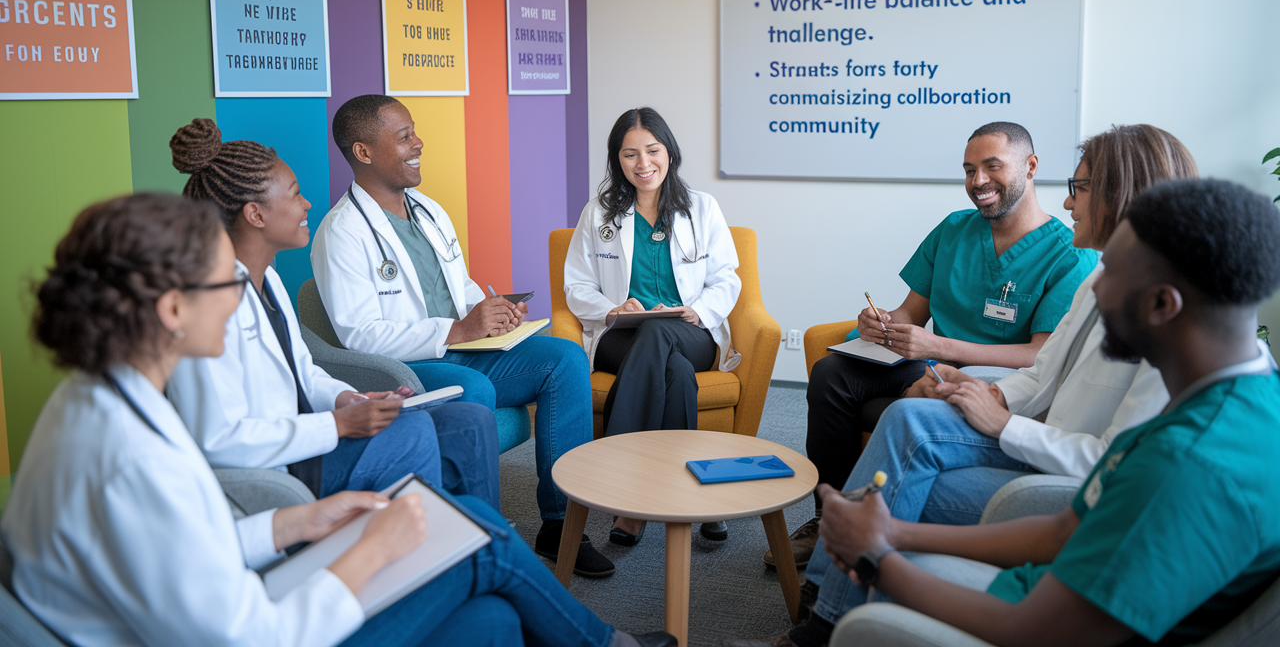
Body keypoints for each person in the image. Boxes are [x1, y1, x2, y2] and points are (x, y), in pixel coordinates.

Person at [0, 193, 675, 647]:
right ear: (173, 309)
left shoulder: (96, 401)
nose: (240, 299)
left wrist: (300, 522)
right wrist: (371, 552)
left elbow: (169, 555)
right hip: (260, 631)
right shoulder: (130, 457)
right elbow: (253, 637)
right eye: (224, 283)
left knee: (494, 614)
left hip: (202, 612)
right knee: (485, 548)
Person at [756, 124, 1200, 647]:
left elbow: (1045, 375)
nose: (1067, 200)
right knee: (872, 397)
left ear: (1117, 195)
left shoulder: (1144, 310)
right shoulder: (1099, 281)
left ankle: (826, 612)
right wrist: (975, 392)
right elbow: (1042, 373)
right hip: (999, 400)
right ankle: (833, 542)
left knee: (905, 459)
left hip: (1046, 456)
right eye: (969, 169)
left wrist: (997, 411)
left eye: (1077, 189)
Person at [776, 121, 1099, 568]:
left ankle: (869, 529)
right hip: (924, 360)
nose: (977, 181)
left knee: (913, 403)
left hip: (998, 379)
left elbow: (1040, 355)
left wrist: (942, 347)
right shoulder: (953, 229)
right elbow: (911, 312)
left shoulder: (1070, 254)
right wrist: (882, 323)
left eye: (991, 167)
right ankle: (826, 514)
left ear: (1030, 166)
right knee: (831, 375)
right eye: (969, 170)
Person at [311, 94, 609, 577]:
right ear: (363, 152)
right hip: (411, 365)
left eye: (415, 131)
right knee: (475, 390)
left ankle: (560, 524)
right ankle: (481, 539)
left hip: (466, 346)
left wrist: (489, 311)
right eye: (404, 135)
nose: (418, 142)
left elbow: (459, 284)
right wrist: (456, 328)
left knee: (565, 358)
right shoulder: (341, 232)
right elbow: (358, 335)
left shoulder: (428, 209)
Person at [164, 119, 500, 509]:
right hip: (284, 464)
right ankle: (418, 551)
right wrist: (337, 425)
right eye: (295, 194)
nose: (306, 204)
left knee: (470, 422)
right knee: (412, 432)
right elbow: (219, 440)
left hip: (313, 434)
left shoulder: (267, 281)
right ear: (255, 214)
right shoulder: (206, 307)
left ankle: (471, 537)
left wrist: (347, 398)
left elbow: (303, 371)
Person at [565, 107, 743, 545]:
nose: (643, 164)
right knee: (675, 372)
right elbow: (576, 286)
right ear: (616, 160)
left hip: (691, 329)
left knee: (662, 333)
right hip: (620, 335)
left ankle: (622, 490)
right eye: (630, 155)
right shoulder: (599, 213)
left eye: (652, 150)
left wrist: (697, 311)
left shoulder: (702, 207)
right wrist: (611, 310)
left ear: (669, 152)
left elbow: (727, 277)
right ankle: (692, 493)